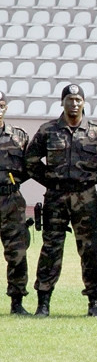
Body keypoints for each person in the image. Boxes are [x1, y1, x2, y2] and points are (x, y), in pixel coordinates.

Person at [26, 84, 97, 317]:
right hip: (56, 197)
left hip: (86, 197)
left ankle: (95, 303)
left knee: (90, 249)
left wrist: (90, 179)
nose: (74, 103)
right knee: (51, 249)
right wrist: (51, 181)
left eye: (78, 99)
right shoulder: (48, 131)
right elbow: (31, 160)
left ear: (84, 103)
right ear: (62, 102)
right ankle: (43, 302)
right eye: (69, 99)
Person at [0, 91, 31, 315]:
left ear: (6, 108)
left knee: (17, 252)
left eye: (1, 105)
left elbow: (30, 166)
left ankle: (17, 302)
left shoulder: (18, 137)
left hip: (11, 200)